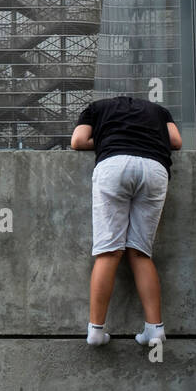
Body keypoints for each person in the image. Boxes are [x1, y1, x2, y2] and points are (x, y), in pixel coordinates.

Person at [71, 95, 182, 346]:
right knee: (140, 252)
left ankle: (96, 331)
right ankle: (155, 328)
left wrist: (109, 142)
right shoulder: (159, 110)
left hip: (114, 166)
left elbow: (78, 141)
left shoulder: (96, 108)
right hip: (155, 169)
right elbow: (175, 141)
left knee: (109, 251)